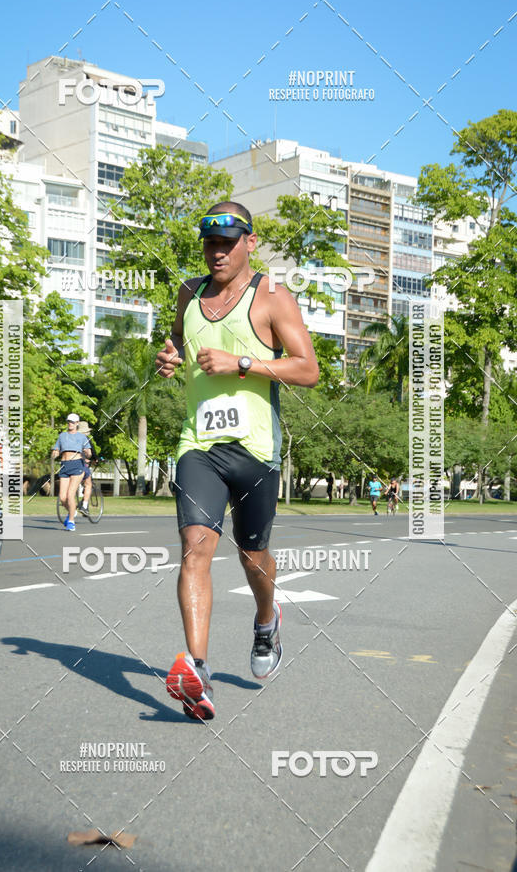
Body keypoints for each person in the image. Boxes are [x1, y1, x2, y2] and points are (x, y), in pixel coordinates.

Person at [156, 201, 320, 721]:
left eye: (228, 243)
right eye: (210, 244)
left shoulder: (273, 296)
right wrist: (169, 356)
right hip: (198, 445)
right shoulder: (188, 292)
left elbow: (308, 370)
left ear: (250, 243)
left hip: (256, 450)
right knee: (195, 545)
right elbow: (178, 343)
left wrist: (242, 363)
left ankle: (267, 619)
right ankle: (197, 671)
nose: (218, 252)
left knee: (254, 557)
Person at [51, 413, 91, 531]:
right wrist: (55, 453)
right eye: (69, 421)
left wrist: (88, 453)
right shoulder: (62, 436)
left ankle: (71, 522)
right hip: (64, 465)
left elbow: (88, 451)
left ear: (77, 423)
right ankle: (72, 512)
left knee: (70, 495)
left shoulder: (82, 437)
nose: (70, 424)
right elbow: (56, 449)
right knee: (62, 497)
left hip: (76, 465)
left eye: (73, 422)